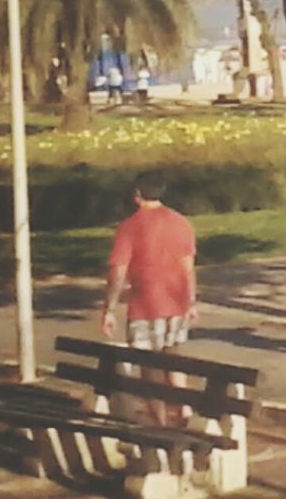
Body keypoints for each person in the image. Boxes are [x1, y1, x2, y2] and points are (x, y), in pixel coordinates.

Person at [101, 173, 197, 426]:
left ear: (136, 195)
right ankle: (185, 410)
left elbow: (118, 270)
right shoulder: (180, 222)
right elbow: (188, 266)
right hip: (177, 301)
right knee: (173, 354)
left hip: (145, 305)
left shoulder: (130, 227)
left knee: (149, 367)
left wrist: (109, 308)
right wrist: (191, 301)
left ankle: (160, 420)